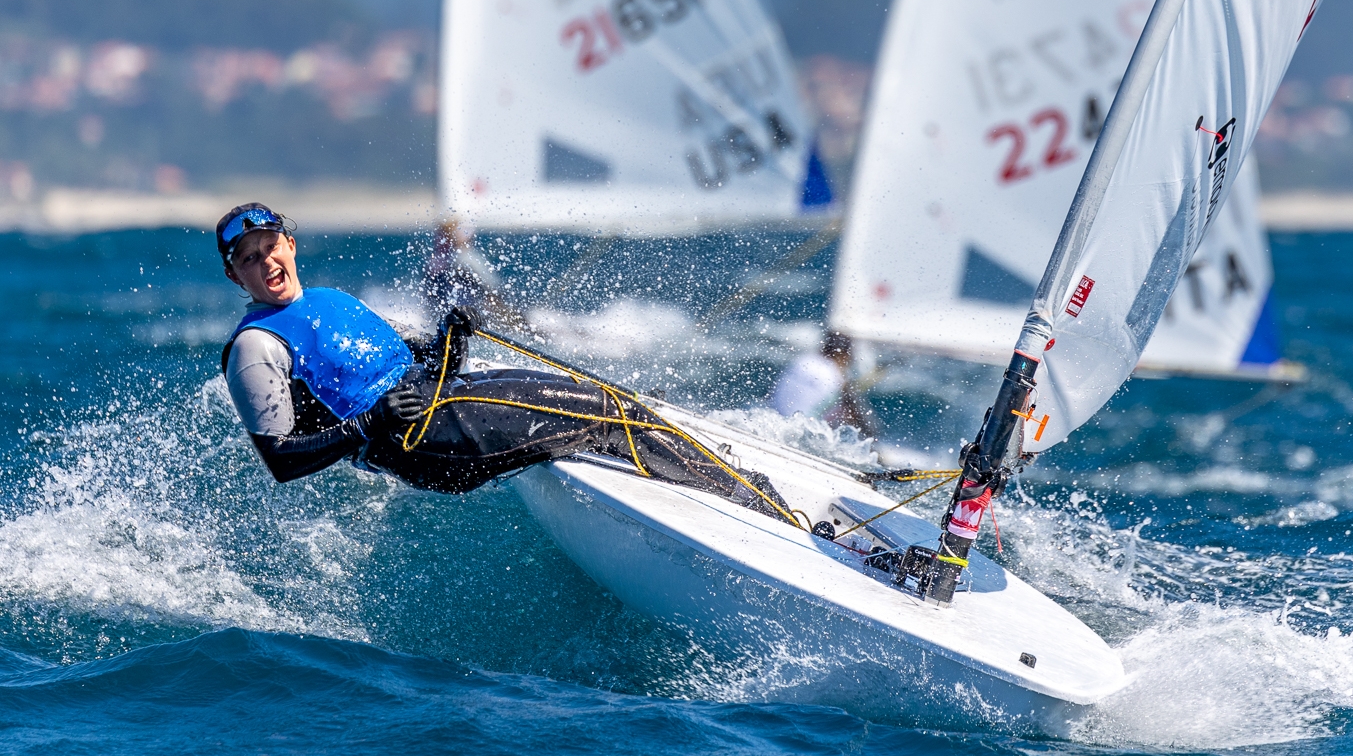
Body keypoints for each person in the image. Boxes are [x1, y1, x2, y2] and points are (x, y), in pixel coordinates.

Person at [216, 202, 790, 519]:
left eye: (271, 247)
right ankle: (757, 507)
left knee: (613, 403)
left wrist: (449, 340)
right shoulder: (255, 346)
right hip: (420, 442)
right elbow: (281, 460)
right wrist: (372, 422)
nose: (266, 264)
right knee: (603, 415)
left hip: (442, 405)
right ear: (234, 275)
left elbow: (417, 362)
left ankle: (729, 485)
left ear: (291, 244)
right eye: (248, 259)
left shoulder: (330, 299)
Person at [769, 329, 880, 435]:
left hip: (772, 421)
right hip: (799, 432)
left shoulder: (802, 361)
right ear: (842, 355)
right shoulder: (836, 378)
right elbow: (859, 419)